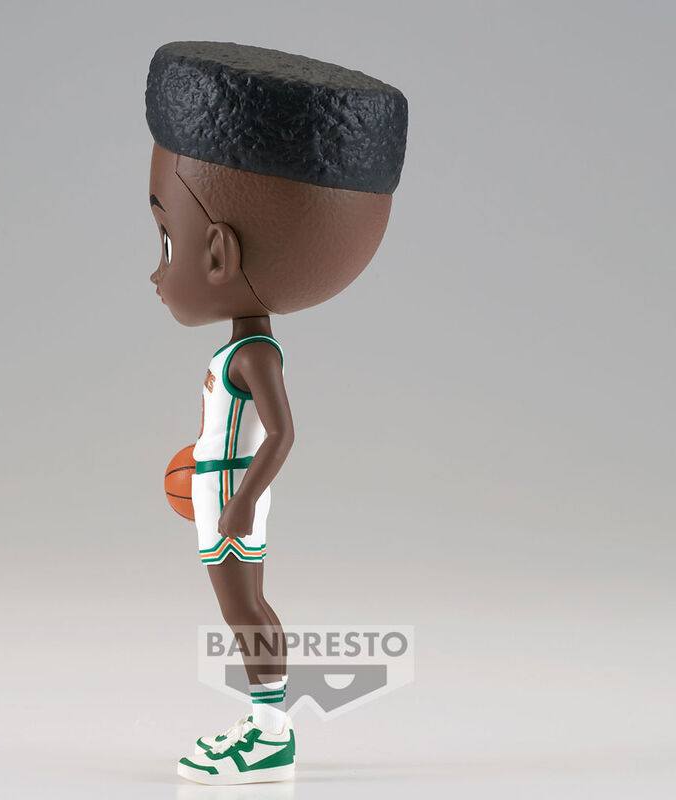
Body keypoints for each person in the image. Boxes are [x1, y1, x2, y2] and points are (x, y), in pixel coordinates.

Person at [145, 40, 408, 785]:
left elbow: (284, 434)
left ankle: (269, 731)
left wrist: (237, 502)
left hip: (234, 496)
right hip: (219, 488)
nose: (157, 270)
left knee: (247, 609)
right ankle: (262, 721)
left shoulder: (256, 354)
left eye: (168, 240)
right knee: (241, 608)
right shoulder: (242, 348)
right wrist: (199, 471)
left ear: (219, 253)